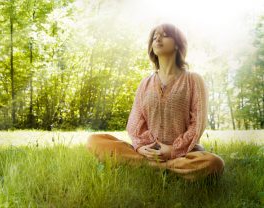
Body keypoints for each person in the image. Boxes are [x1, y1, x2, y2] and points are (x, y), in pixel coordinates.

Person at [86, 23, 225, 182]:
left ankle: (145, 167)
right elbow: (135, 122)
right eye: (154, 37)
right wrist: (141, 147)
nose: (158, 38)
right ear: (151, 47)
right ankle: (165, 169)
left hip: (184, 153)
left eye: (165, 35)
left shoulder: (194, 80)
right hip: (149, 152)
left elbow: (198, 124)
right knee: (95, 141)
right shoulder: (145, 83)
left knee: (214, 163)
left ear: (178, 44)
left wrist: (173, 150)